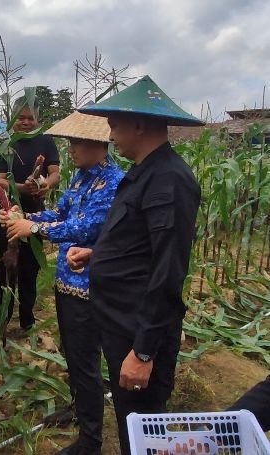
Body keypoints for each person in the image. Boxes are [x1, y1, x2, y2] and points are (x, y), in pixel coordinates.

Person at [70, 75, 203, 455]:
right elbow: (143, 242)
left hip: (138, 332)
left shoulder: (169, 181)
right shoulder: (146, 172)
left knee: (144, 431)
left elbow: (167, 270)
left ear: (140, 124)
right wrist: (98, 254)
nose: (109, 135)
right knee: (133, 424)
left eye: (114, 125)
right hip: (121, 325)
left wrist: (143, 352)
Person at [1, 111, 124, 455]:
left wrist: (35, 229)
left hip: (89, 285)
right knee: (73, 352)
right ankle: (79, 406)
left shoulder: (114, 182)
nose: (69, 149)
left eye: (76, 143)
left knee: (85, 358)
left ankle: (90, 440)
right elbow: (61, 214)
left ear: (98, 144)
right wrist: (24, 217)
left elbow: (86, 227)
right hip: (68, 281)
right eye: (69, 142)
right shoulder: (81, 178)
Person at [0, 97, 60, 332]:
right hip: (7, 213)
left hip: (35, 215)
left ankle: (27, 321)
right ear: (12, 117)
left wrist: (44, 186)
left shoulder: (46, 141)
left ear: (37, 119)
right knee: (5, 268)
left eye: (31, 118)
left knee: (30, 269)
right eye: (21, 118)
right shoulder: (3, 143)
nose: (26, 122)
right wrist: (20, 187)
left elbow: (54, 174)